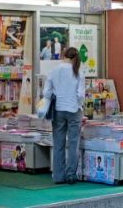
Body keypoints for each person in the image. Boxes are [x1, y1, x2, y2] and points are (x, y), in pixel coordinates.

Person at [43, 47, 85, 184]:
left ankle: (58, 176)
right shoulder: (78, 72)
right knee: (73, 143)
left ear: (63, 55)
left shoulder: (53, 71)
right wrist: (77, 104)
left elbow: (47, 93)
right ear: (75, 58)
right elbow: (80, 95)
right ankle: (71, 175)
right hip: (74, 110)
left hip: (58, 110)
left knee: (58, 144)